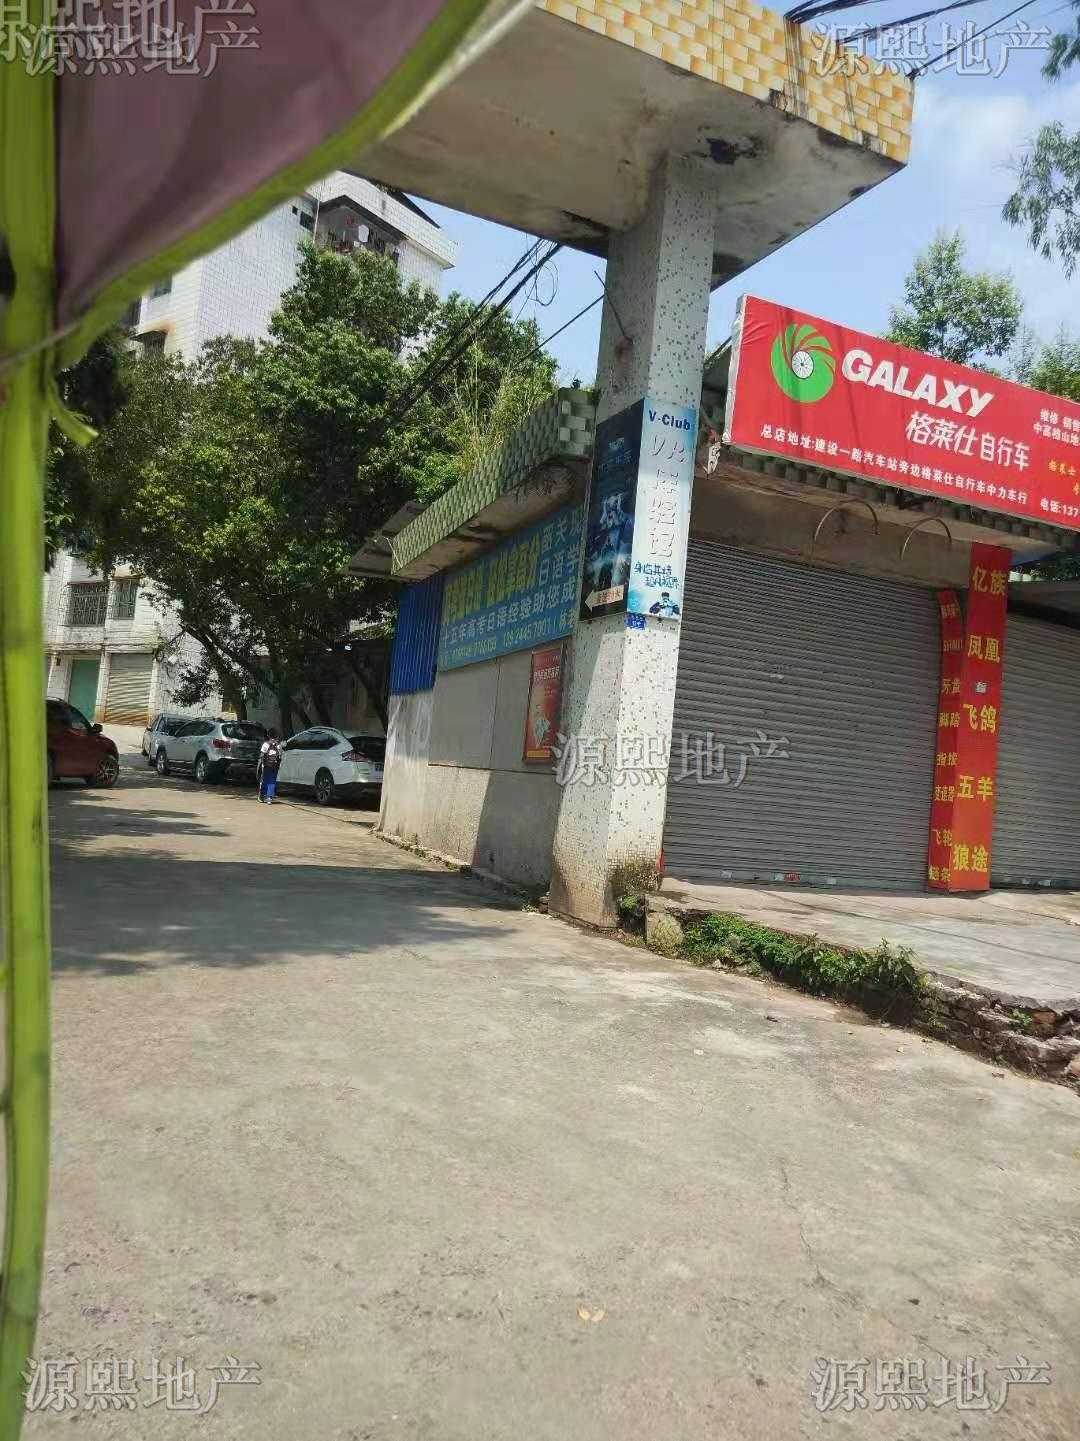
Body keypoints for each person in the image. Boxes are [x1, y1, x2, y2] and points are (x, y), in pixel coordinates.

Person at [258, 730, 283, 803]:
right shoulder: (278, 746)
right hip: (275, 766)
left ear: (268, 736)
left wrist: (262, 764)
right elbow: (280, 755)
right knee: (272, 781)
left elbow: (262, 755)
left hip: (267, 766)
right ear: (277, 737)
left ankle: (262, 796)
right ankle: (270, 798)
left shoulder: (265, 744)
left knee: (265, 780)